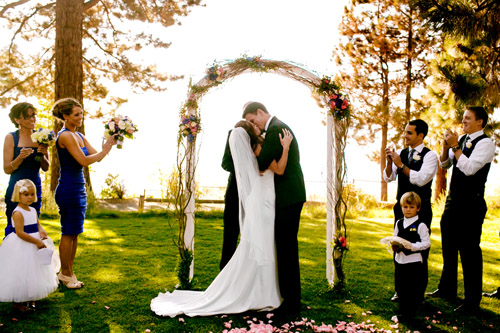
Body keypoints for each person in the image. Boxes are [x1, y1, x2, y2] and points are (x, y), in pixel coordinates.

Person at [150, 120, 293, 317]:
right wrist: (285, 148)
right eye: (255, 125)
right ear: (251, 130)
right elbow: (279, 169)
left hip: (260, 197)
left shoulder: (251, 148)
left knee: (259, 242)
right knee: (264, 242)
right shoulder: (260, 147)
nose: (259, 126)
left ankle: (259, 288)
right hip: (265, 201)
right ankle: (261, 292)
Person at [427, 106, 495, 313]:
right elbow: (445, 164)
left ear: (480, 122)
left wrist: (456, 145)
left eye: (467, 118)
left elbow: (469, 169)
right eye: (463, 118)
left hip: (471, 204)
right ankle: (447, 289)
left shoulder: (486, 143)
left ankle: (472, 301)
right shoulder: (463, 141)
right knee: (448, 247)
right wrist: (445, 146)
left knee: (469, 252)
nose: (463, 121)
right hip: (452, 202)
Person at [243, 101, 306, 314]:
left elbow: (262, 164)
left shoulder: (276, 129)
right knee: (286, 247)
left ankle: (291, 302)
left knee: (287, 249)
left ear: (260, 112)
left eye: (253, 120)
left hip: (288, 197)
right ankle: (290, 297)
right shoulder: (276, 128)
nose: (255, 126)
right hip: (289, 195)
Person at [52, 97, 116, 289]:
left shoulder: (78, 136)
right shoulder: (65, 136)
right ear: (65, 116)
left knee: (75, 233)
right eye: (76, 114)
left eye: (82, 114)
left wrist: (110, 143)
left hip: (79, 188)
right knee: (68, 232)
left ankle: (69, 272)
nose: (80, 118)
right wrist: (103, 151)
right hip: (68, 188)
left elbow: (96, 155)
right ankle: (65, 273)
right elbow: (84, 160)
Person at [384, 119, 437, 302]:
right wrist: (389, 162)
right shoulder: (402, 154)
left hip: (421, 212)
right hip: (401, 211)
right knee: (398, 247)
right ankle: (400, 290)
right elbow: (388, 177)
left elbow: (421, 179)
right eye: (404, 132)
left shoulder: (430, 156)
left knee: (419, 253)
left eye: (409, 133)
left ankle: (418, 294)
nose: (405, 136)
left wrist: (400, 164)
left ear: (420, 135)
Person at [0, 179, 59, 312]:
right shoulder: (18, 212)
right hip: (22, 245)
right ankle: (18, 302)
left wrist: (41, 230)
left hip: (34, 243)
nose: (30, 197)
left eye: (32, 194)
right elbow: (20, 233)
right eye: (26, 194)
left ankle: (31, 296)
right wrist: (37, 242)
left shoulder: (32, 210)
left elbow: (37, 224)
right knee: (21, 272)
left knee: (35, 271)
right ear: (18, 195)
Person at [3, 102, 49, 237]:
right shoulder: (11, 137)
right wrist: (20, 158)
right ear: (17, 120)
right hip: (16, 189)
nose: (32, 119)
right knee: (14, 227)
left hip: (34, 187)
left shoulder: (42, 137)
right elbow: (7, 169)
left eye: (33, 115)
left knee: (33, 225)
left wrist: (41, 155)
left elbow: (46, 168)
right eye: (28, 117)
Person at [391, 191, 430, 323]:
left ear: (418, 208)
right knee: (401, 288)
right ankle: (403, 312)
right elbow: (395, 238)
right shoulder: (399, 223)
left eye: (411, 207)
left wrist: (411, 246)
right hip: (400, 260)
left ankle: (409, 315)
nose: (408, 210)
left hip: (413, 262)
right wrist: (394, 246)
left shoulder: (421, 225)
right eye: (405, 207)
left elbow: (426, 243)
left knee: (411, 290)